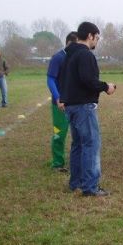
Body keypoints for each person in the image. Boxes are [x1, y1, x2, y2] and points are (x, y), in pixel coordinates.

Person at [60, 22, 116, 197]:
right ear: (90, 36)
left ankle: (75, 182)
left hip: (72, 105)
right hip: (83, 106)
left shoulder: (70, 55)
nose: (97, 42)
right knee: (91, 144)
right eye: (97, 38)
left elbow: (68, 80)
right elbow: (87, 80)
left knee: (78, 144)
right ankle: (90, 186)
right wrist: (106, 86)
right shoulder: (85, 55)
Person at [47, 31, 77, 172]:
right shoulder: (58, 58)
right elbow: (51, 79)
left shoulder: (77, 57)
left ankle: (76, 162)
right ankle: (57, 163)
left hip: (76, 103)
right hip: (60, 104)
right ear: (70, 43)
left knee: (79, 134)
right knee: (59, 133)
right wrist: (58, 97)